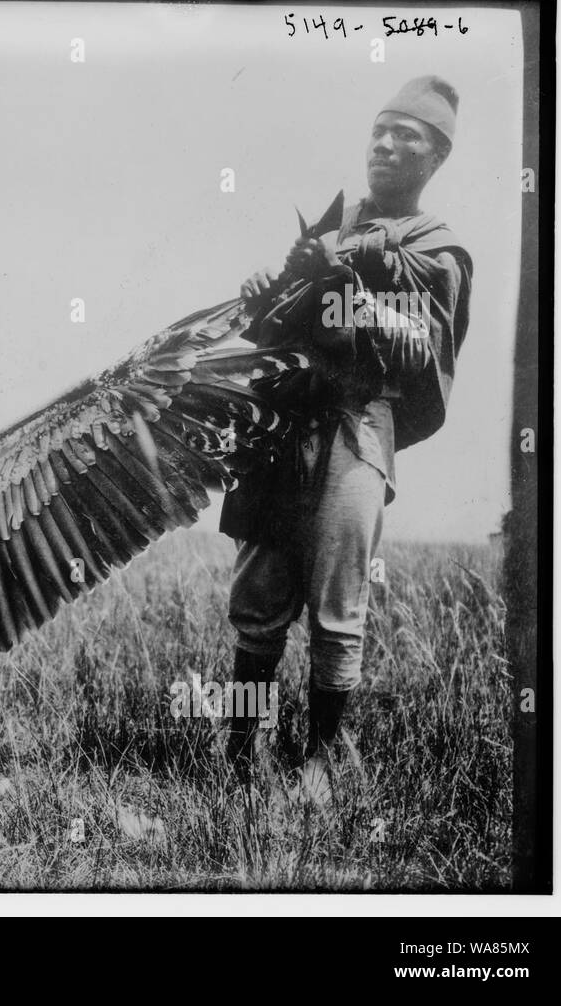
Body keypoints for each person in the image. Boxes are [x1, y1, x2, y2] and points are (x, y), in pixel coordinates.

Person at [221, 76, 473, 805]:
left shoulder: (439, 249)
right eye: (379, 133)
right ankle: (240, 751)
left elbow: (422, 351)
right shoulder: (335, 224)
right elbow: (274, 323)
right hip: (285, 420)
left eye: (408, 138)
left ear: (437, 159)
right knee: (259, 592)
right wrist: (265, 288)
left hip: (359, 427)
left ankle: (320, 763)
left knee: (338, 600)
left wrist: (351, 294)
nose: (386, 146)